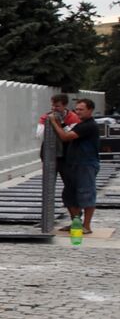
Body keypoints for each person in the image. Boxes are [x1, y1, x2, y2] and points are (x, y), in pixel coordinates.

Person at [51, 97, 100, 233]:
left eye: (81, 109)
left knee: (86, 194)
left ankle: (87, 226)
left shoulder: (89, 125)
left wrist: (54, 123)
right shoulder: (80, 124)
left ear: (90, 110)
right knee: (69, 194)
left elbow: (66, 137)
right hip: (73, 164)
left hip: (86, 164)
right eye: (76, 109)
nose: (78, 112)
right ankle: (76, 223)